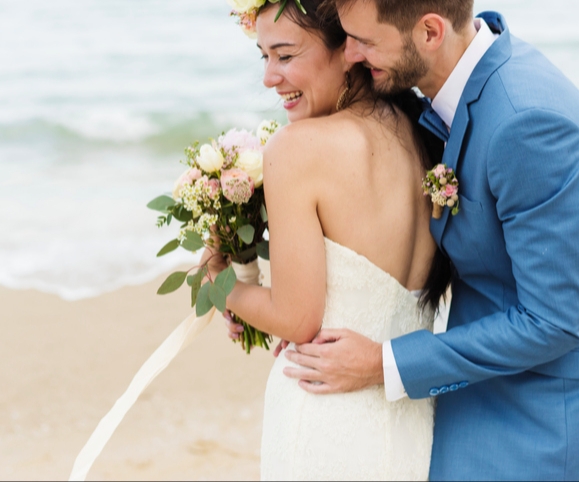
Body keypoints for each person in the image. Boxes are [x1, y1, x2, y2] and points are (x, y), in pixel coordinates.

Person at [275, 0, 579, 480]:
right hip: (456, 401)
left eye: (366, 42)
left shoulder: (526, 123)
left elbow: (557, 319)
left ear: (430, 32)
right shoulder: (440, 98)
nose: (350, 55)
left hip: (527, 427)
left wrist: (382, 363)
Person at [206, 0, 451, 479]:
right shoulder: (423, 137)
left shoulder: (297, 149)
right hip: (409, 425)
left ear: (349, 49)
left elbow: (296, 319)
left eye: (286, 55)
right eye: (264, 57)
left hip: (323, 422)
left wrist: (217, 281)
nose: (270, 78)